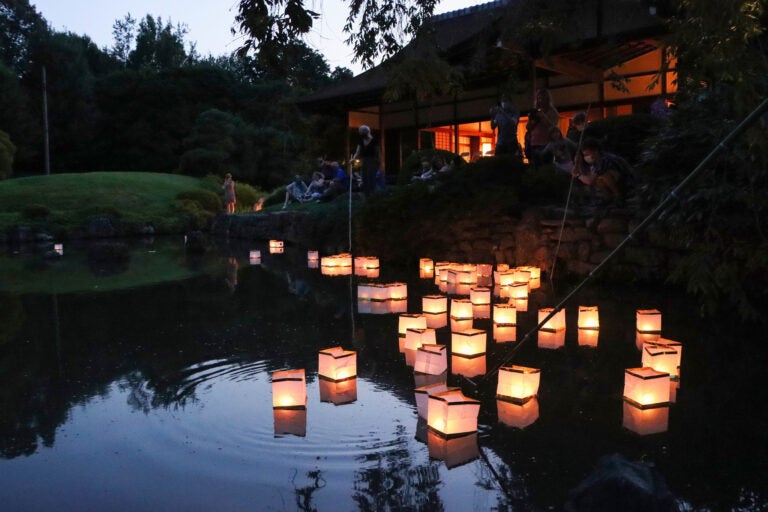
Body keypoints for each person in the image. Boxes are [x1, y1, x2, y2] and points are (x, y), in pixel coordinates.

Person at [572, 138, 634, 206]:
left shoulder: (604, 159)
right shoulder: (595, 161)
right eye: (584, 155)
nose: (586, 157)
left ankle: (619, 196)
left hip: (627, 181)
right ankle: (610, 197)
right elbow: (590, 177)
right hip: (618, 181)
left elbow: (590, 181)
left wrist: (578, 175)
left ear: (595, 151)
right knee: (598, 180)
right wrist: (578, 164)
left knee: (604, 175)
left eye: (587, 154)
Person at [525, 88, 560, 168]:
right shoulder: (535, 112)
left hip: (546, 144)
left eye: (542, 98)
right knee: (535, 167)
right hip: (534, 143)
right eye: (539, 98)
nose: (540, 100)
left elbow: (553, 125)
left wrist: (543, 116)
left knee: (546, 167)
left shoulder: (552, 111)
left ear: (547, 99)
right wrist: (533, 118)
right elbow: (528, 127)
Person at [351, 125, 381, 197]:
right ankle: (366, 195)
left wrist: (378, 162)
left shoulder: (374, 140)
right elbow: (358, 151)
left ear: (366, 132)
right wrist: (353, 158)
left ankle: (372, 194)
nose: (360, 134)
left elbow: (378, 152)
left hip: (372, 161)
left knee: (371, 177)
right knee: (365, 177)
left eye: (361, 132)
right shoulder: (361, 140)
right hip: (365, 161)